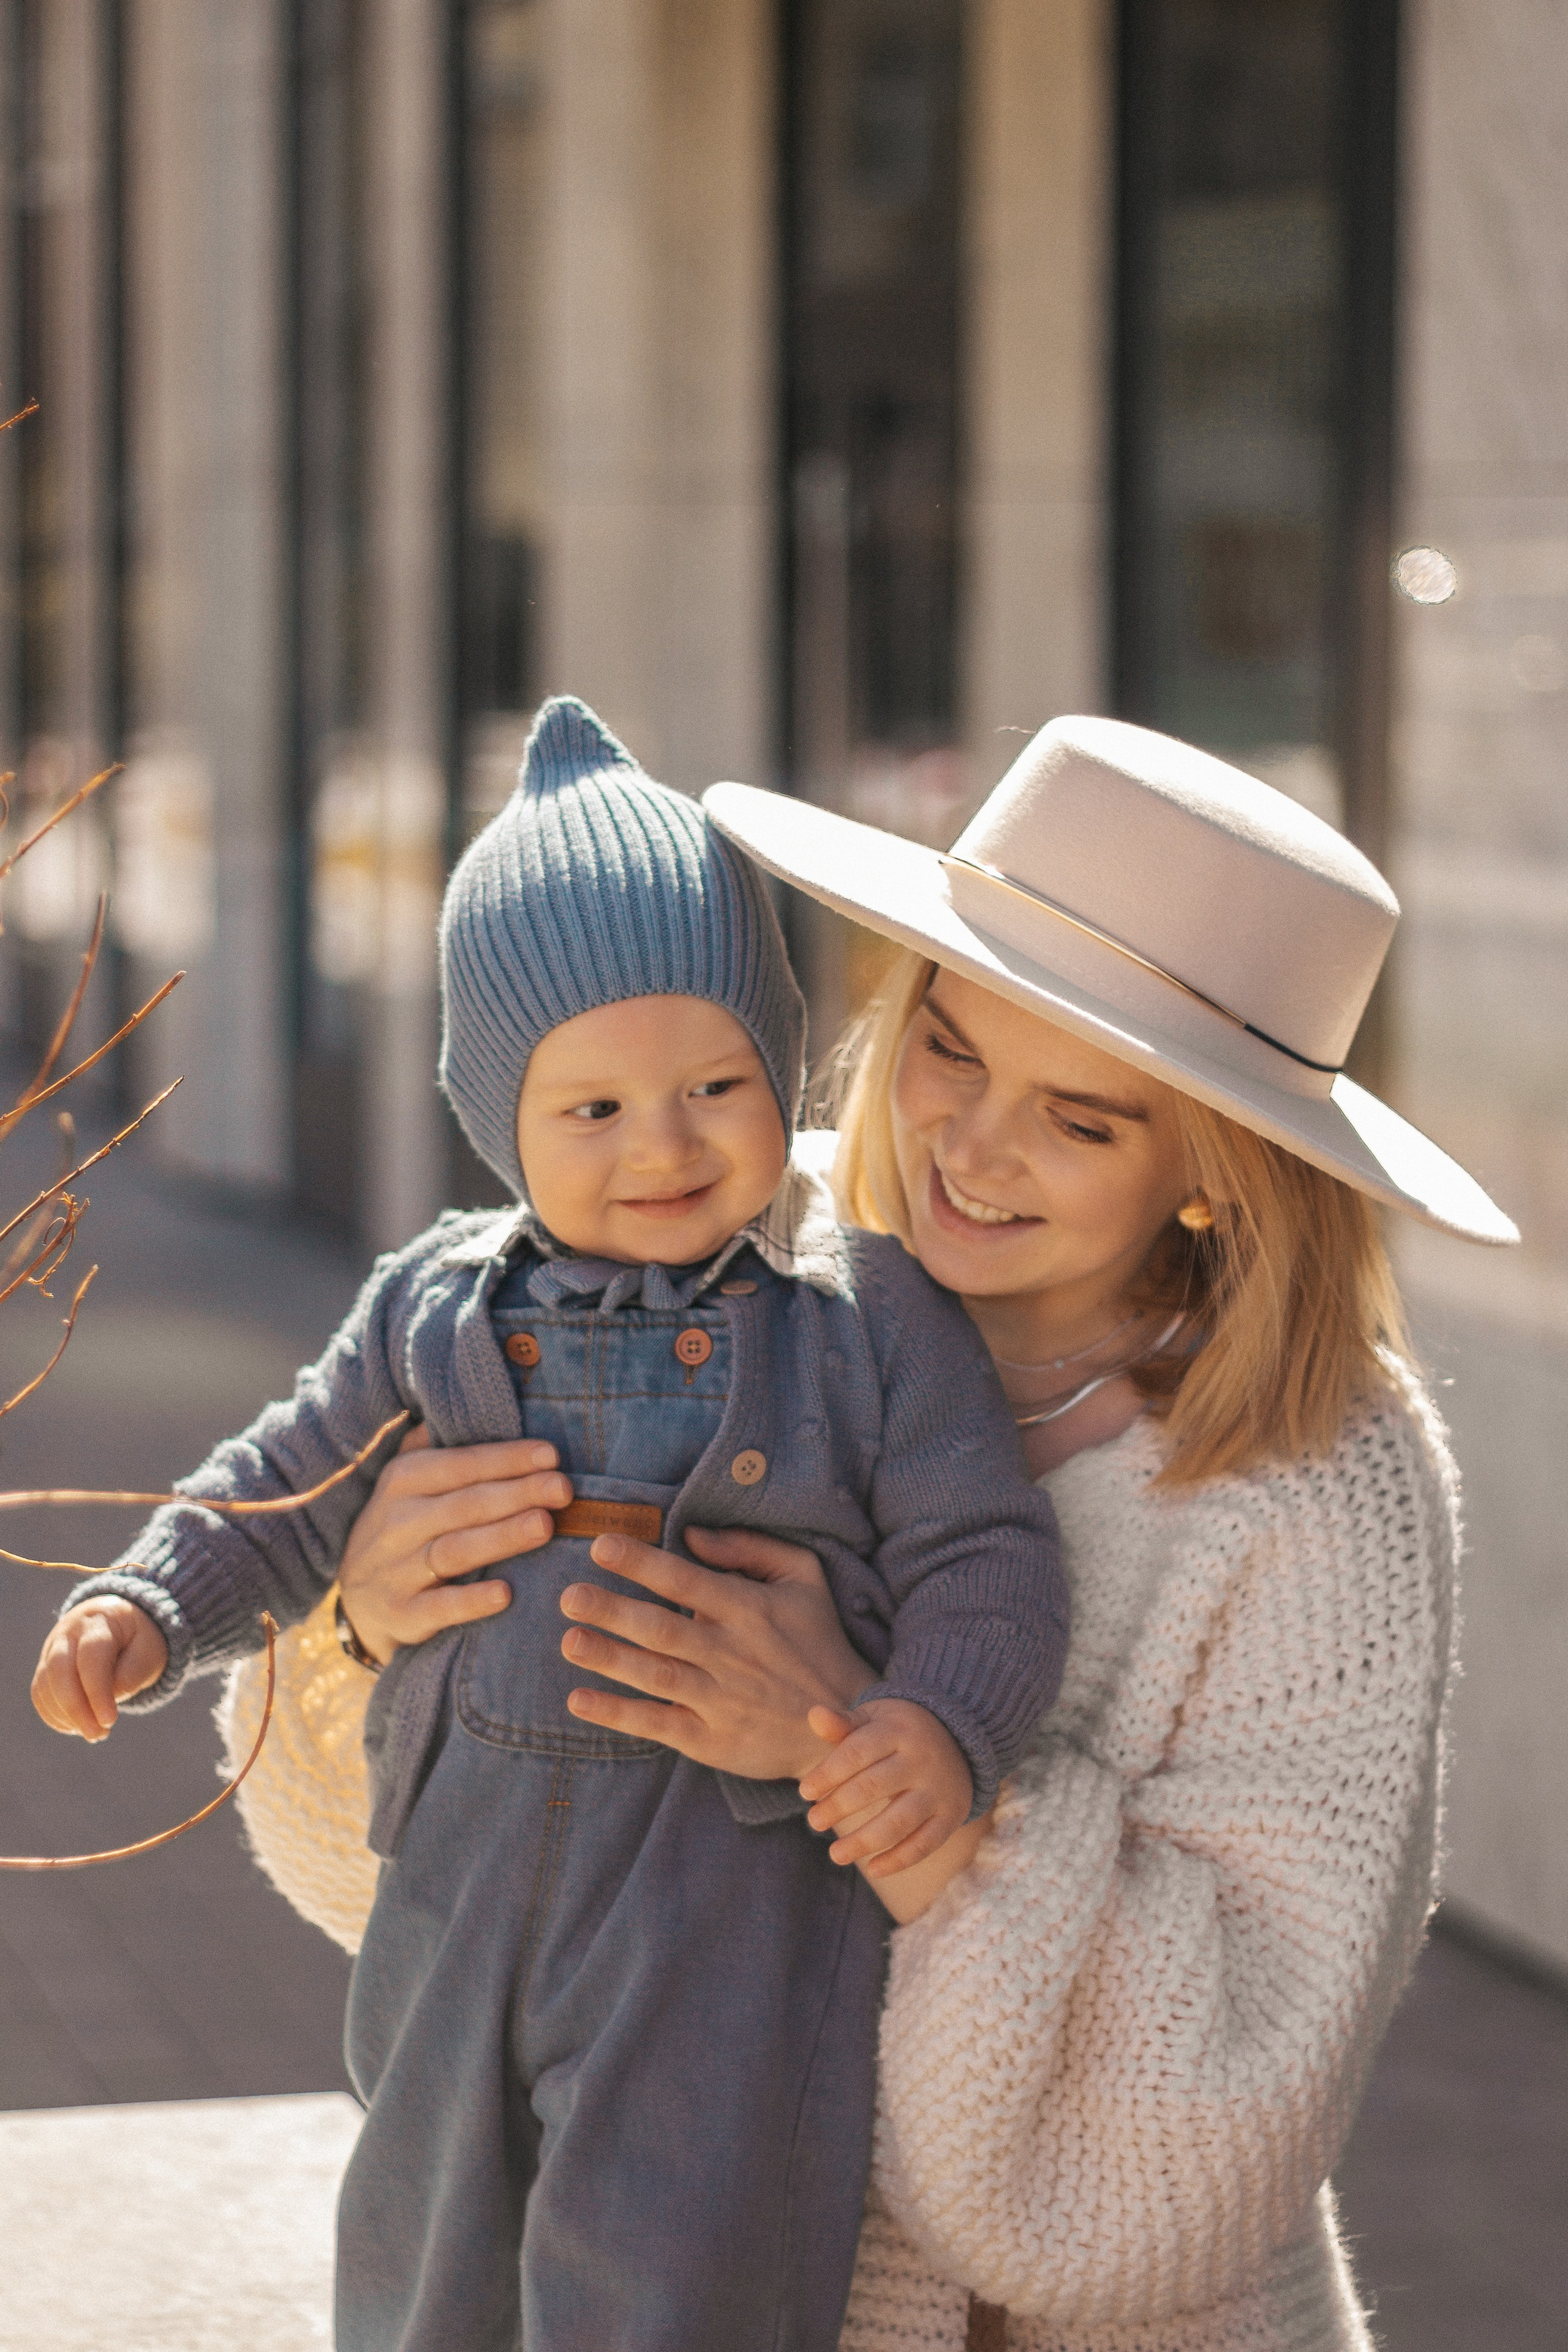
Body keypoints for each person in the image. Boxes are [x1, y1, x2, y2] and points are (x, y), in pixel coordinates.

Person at [239, 712, 1517, 2351]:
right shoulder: (720, 1253)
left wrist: (866, 1754)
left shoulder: (1319, 1482)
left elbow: (1228, 2113)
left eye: (1087, 1118)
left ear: (1223, 1167)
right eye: (955, 1048)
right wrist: (367, 1626)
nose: (970, 1149)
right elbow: (406, 1907)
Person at [29, 699, 1069, 2352]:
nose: (665, 1144)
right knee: (425, 2231)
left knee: (682, 2252)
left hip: (727, 1902)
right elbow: (286, 1483)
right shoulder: (433, 1305)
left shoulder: (866, 1310)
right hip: (459, 1876)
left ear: (778, 1067)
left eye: (718, 1084)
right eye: (593, 1111)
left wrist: (932, 1720)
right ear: (496, 1117)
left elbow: (989, 1554)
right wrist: (150, 1605)